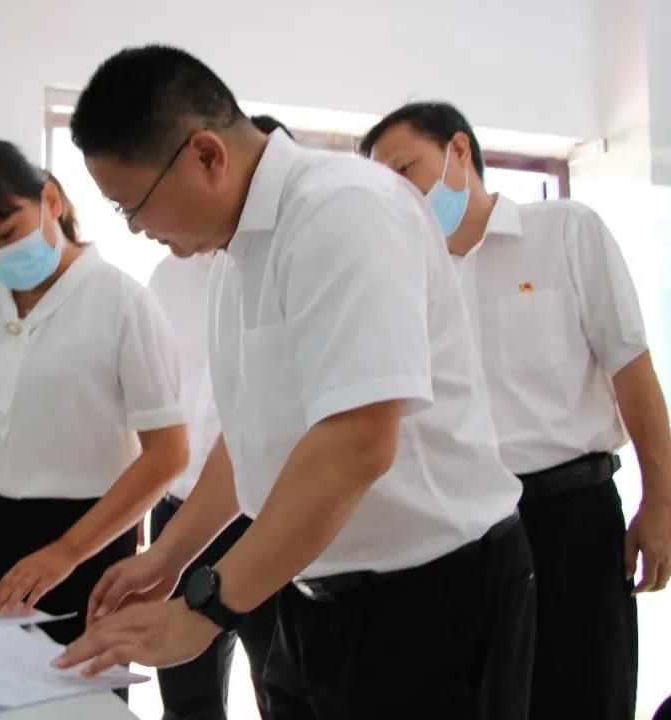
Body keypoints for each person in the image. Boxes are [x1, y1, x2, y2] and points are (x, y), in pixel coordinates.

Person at [54, 45, 534, 720]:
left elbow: (355, 446)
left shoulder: (345, 210)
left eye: (133, 205)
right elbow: (253, 439)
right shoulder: (235, 258)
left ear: (206, 155)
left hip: (431, 599)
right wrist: (169, 557)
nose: (136, 228)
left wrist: (205, 610)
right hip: (314, 593)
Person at [360, 101, 671, 720]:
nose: (399, 193)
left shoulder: (566, 231)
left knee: (585, 697)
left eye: (405, 169)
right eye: (383, 184)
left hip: (570, 520)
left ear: (458, 151)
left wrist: (660, 503)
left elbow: (633, 373)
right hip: (462, 533)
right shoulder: (405, 283)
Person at [0, 139, 189, 648]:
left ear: (51, 202)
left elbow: (168, 454)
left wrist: (68, 550)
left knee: (80, 681)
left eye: (7, 233)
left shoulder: (125, 304)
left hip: (89, 539)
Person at [143, 110, 291, 720]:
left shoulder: (288, 261)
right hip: (181, 509)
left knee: (282, 690)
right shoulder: (166, 275)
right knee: (185, 699)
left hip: (267, 514)